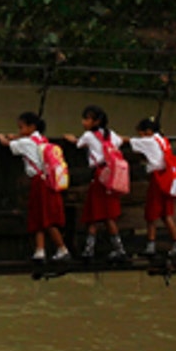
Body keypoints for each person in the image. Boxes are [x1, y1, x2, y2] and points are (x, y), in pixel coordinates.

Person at [0, 111, 70, 263]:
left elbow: (6, 144)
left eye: (21, 127)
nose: (19, 131)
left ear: (31, 127)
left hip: (39, 183)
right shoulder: (42, 140)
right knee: (40, 217)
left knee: (45, 219)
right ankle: (40, 251)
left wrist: (1, 136)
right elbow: (25, 141)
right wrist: (18, 137)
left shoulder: (25, 143)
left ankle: (62, 249)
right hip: (48, 181)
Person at [66, 104, 127, 262]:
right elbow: (120, 141)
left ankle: (89, 251)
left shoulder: (87, 136)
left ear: (96, 121)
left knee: (94, 214)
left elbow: (78, 144)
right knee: (109, 216)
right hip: (112, 178)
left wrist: (72, 139)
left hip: (99, 177)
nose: (83, 122)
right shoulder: (111, 134)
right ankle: (119, 249)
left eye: (87, 119)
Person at [130, 117, 176, 257]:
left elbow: (128, 141)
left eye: (141, 133)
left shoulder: (150, 141)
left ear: (148, 131)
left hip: (158, 180)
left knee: (151, 215)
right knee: (167, 215)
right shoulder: (164, 140)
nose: (140, 137)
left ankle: (150, 246)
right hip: (168, 179)